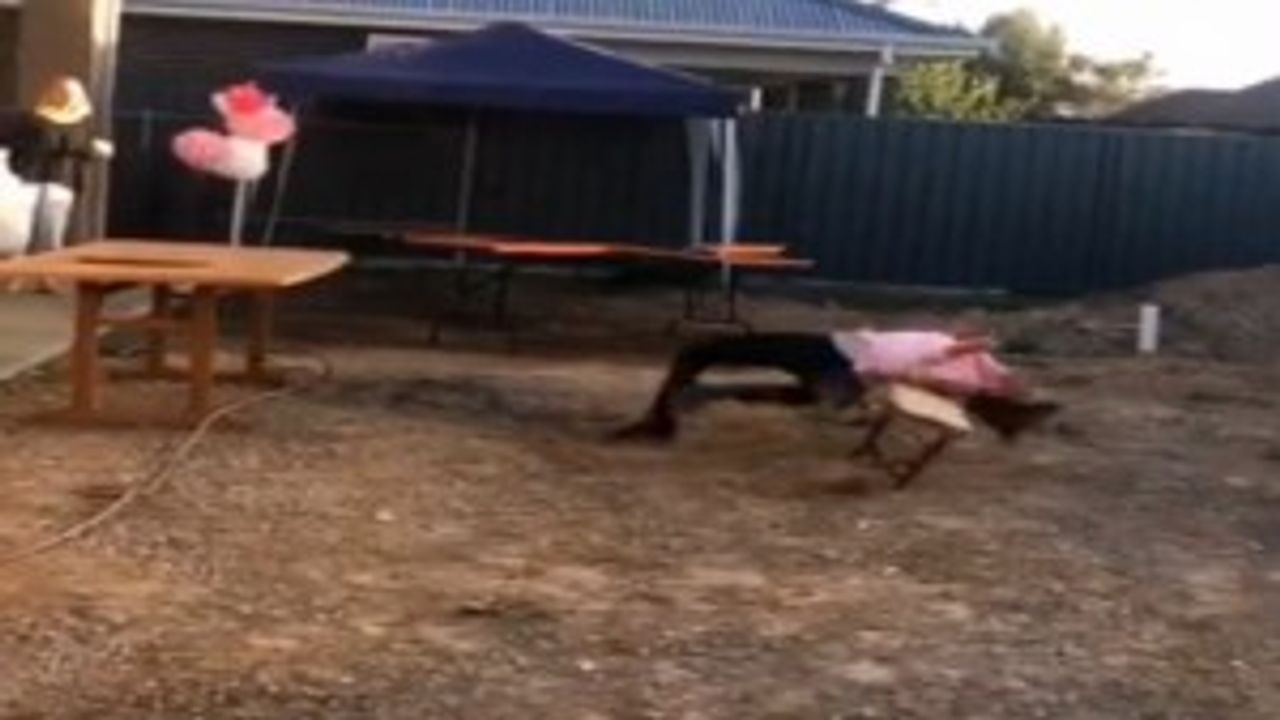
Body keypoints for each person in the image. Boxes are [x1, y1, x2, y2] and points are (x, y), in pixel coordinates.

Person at [612, 329, 1059, 442]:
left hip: (844, 361)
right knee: (803, 393)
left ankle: (673, 414)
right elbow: (940, 359)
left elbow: (918, 373)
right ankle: (683, 407)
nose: (1019, 384)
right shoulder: (981, 369)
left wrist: (958, 352)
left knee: (702, 351)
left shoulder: (962, 378)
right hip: (847, 359)